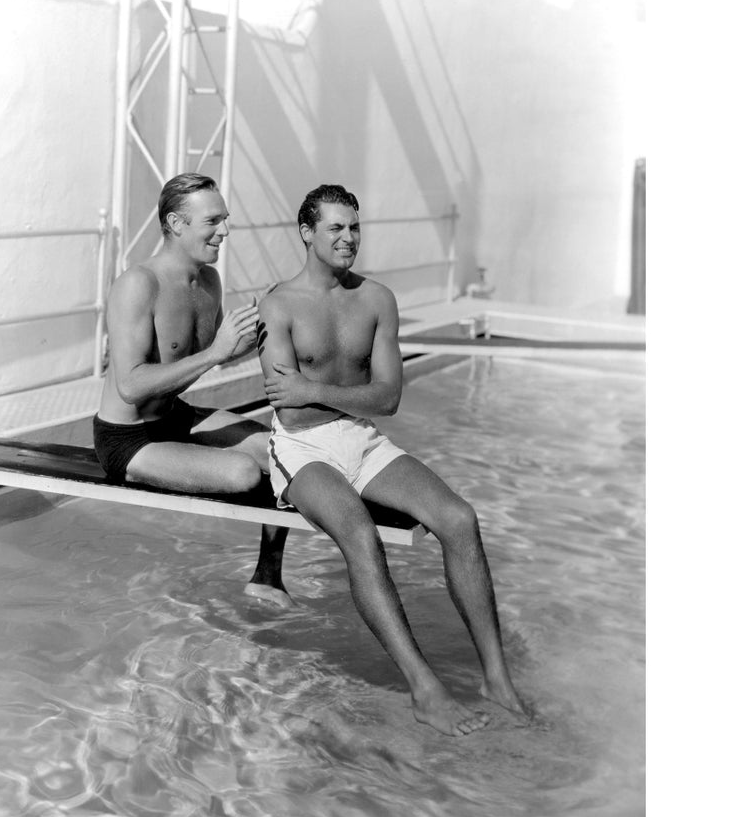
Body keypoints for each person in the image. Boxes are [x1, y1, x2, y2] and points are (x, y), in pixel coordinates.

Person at [257, 184, 529, 736]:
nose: (348, 239)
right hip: (303, 450)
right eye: (335, 228)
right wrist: (314, 394)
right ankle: (425, 689)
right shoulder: (279, 305)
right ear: (307, 233)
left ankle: (496, 679)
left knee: (459, 519)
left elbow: (389, 398)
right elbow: (295, 411)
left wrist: (315, 388)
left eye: (354, 227)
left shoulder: (377, 299)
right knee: (360, 534)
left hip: (363, 438)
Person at [95, 173, 290, 607]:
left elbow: (218, 353)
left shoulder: (208, 283)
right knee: (243, 472)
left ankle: (267, 577)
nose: (224, 231)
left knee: (282, 450)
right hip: (127, 438)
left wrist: (260, 327)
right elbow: (129, 385)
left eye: (226, 220)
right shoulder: (138, 285)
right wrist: (216, 353)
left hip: (174, 416)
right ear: (176, 224)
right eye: (213, 221)